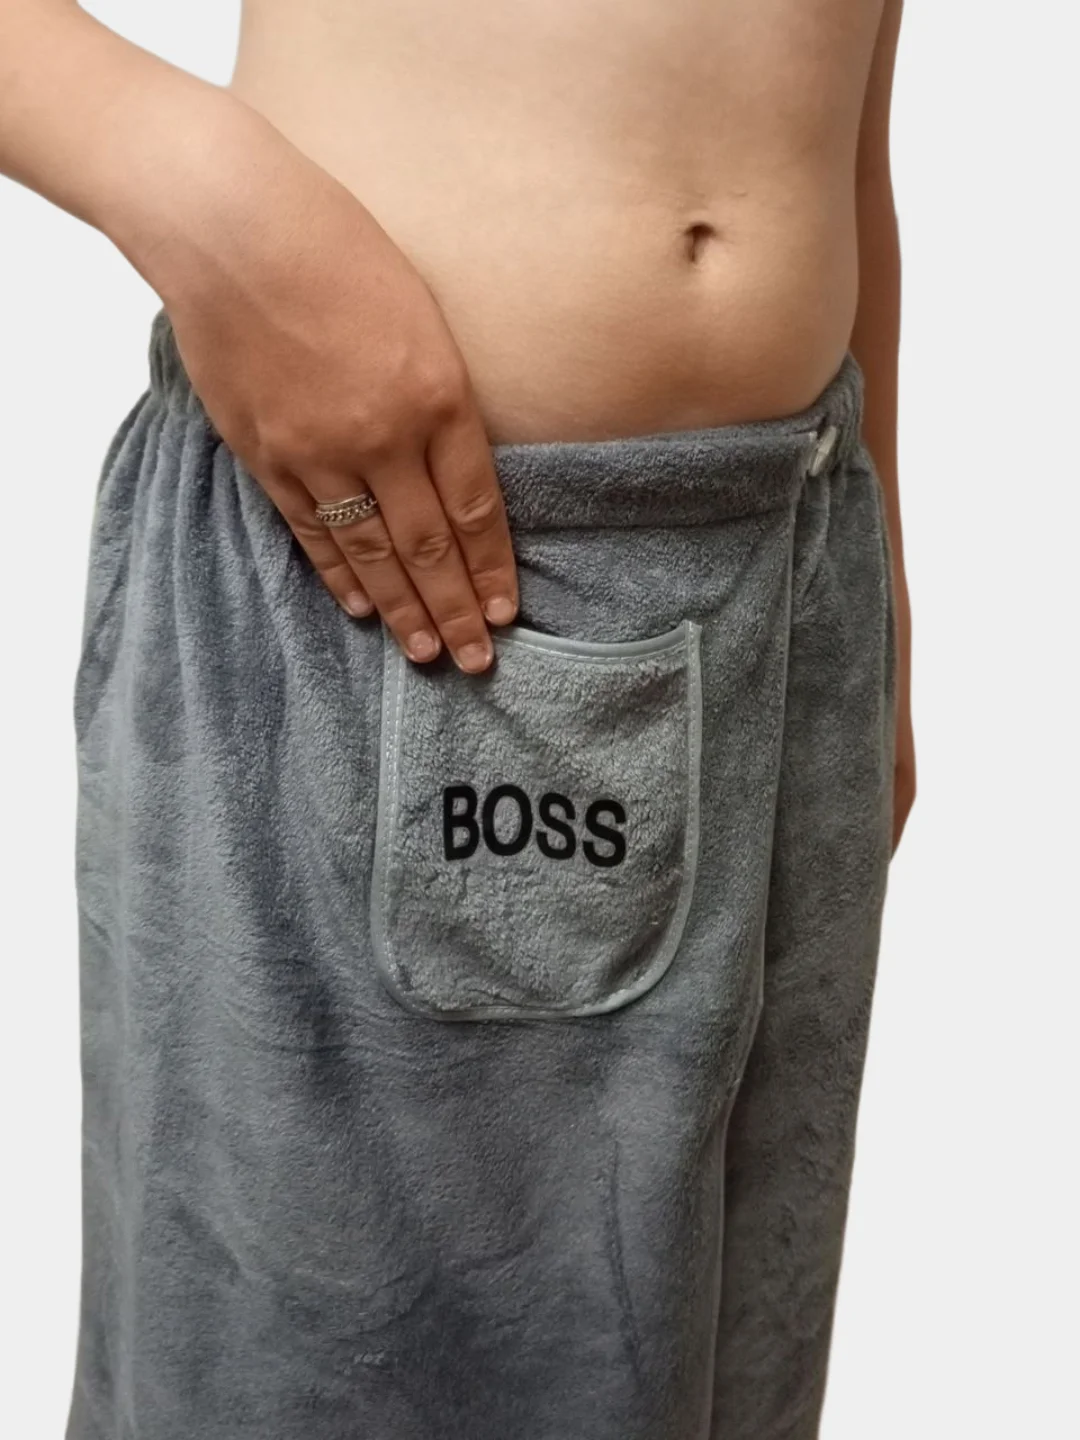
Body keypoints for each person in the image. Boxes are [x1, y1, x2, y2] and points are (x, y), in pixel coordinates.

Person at [1, 0, 914, 1436]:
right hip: (381, 587)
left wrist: (884, 558)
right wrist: (178, 171)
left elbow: (849, 101)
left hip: (790, 582)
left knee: (719, 1372)